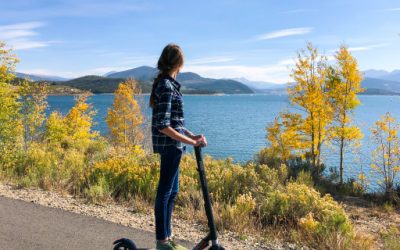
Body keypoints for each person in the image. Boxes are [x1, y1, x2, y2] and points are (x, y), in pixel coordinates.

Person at [150, 44, 207, 250]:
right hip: (169, 146)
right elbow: (163, 125)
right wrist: (191, 143)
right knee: (165, 191)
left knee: (173, 191)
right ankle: (162, 241)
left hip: (174, 146)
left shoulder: (170, 84)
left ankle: (167, 236)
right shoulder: (166, 86)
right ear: (179, 63)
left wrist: (193, 135)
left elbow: (175, 122)